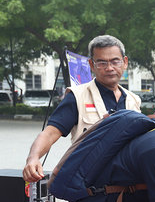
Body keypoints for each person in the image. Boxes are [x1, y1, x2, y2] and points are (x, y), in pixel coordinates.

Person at [23, 35, 141, 182]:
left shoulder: (133, 100)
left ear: (125, 62)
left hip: (130, 183)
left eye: (115, 61)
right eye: (102, 62)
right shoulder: (77, 97)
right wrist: (33, 158)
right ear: (91, 65)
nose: (109, 68)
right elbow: (50, 132)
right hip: (93, 187)